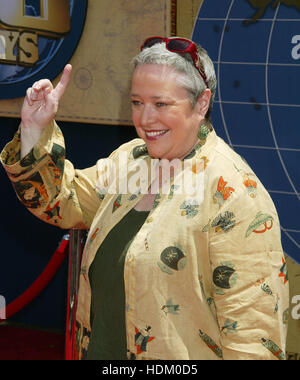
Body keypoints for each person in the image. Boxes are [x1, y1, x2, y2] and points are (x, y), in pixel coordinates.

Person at [0, 36, 289, 360]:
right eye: (137, 102)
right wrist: (33, 129)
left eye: (161, 104)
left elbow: (254, 340)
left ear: (202, 103)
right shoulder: (132, 161)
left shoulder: (234, 194)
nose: (145, 119)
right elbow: (60, 201)